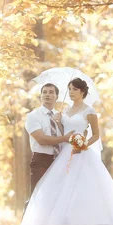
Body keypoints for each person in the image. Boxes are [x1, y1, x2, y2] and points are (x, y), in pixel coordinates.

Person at [18, 78, 113, 225]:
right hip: (63, 156)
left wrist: (82, 145)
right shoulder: (63, 111)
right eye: (70, 89)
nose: (72, 92)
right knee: (58, 194)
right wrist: (59, 121)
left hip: (80, 153)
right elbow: (58, 134)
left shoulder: (89, 111)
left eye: (74, 89)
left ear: (82, 91)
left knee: (82, 192)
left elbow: (96, 135)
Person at [24, 83, 73, 211]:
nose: (47, 95)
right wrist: (63, 138)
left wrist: (60, 123)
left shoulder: (61, 117)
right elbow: (41, 139)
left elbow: (70, 137)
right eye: (44, 92)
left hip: (60, 160)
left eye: (51, 92)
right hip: (41, 160)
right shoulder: (33, 116)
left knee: (58, 197)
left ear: (56, 97)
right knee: (37, 196)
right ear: (40, 96)